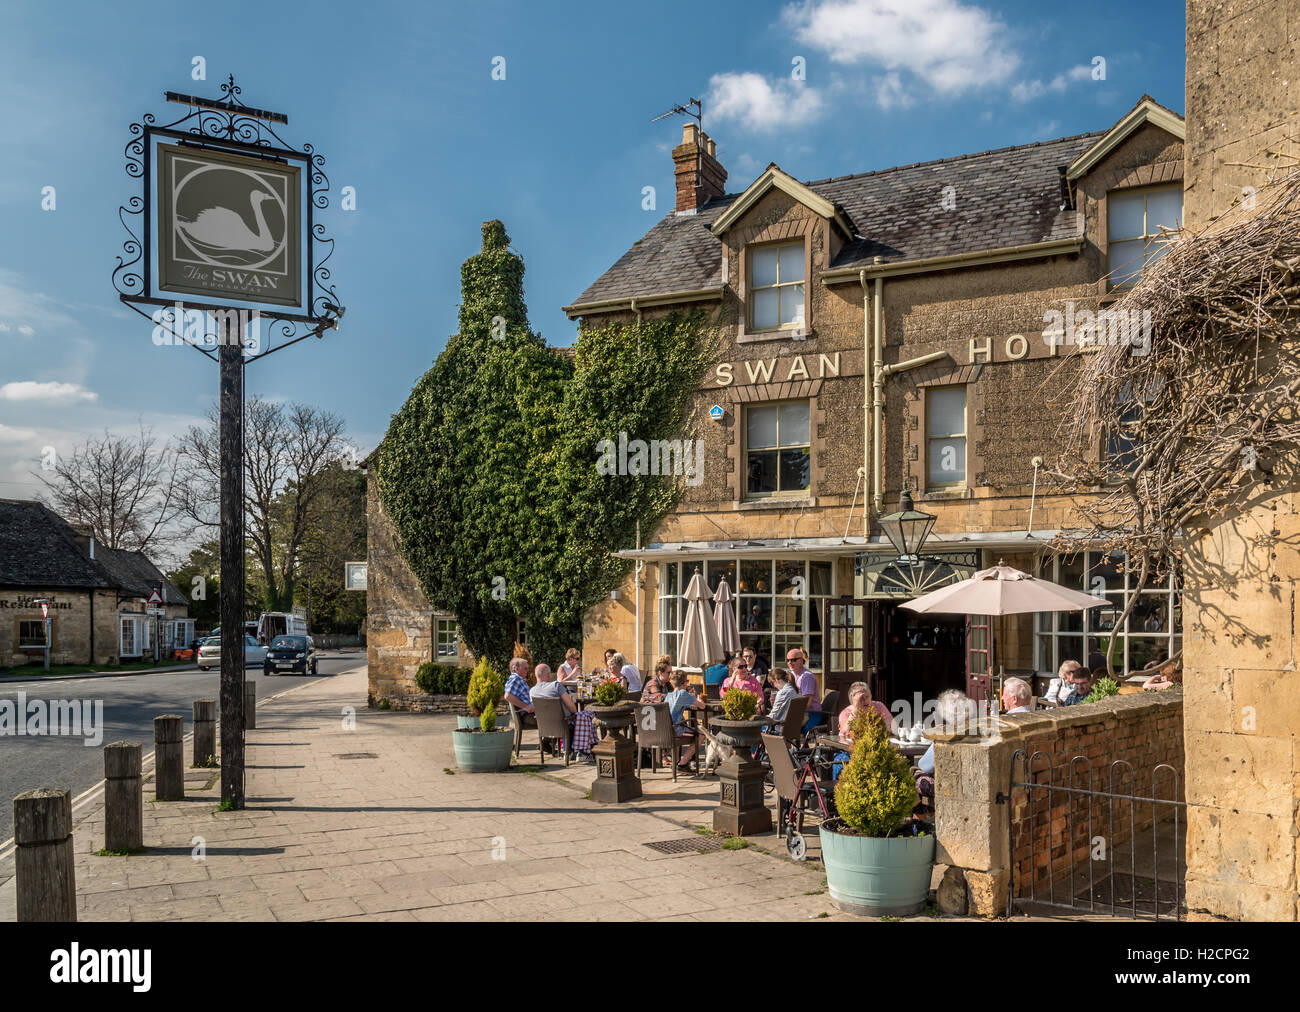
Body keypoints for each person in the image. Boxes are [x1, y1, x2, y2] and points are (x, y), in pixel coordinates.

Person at [529, 663, 596, 760]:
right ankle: (583, 753)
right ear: (548, 674)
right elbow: (571, 707)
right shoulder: (556, 686)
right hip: (564, 722)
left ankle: (568, 752)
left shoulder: (532, 691)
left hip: (544, 725)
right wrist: (574, 713)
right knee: (584, 716)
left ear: (536, 675)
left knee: (573, 719)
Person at [664, 669, 703, 770]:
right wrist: (698, 699)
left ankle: (676, 762)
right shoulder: (682, 694)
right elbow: (702, 706)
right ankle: (683, 763)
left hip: (666, 729)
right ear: (685, 683)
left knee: (682, 728)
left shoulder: (668, 695)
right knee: (701, 735)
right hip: (676, 730)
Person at [787, 648, 823, 729]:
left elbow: (806, 704)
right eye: (788, 660)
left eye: (794, 660)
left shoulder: (807, 677)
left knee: (786, 727)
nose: (790, 663)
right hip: (800, 711)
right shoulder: (791, 675)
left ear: (801, 660)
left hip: (812, 714)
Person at [503, 657, 537, 728]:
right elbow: (507, 696)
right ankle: (550, 739)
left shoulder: (518, 679)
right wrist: (526, 707)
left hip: (531, 714)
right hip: (528, 716)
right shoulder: (516, 678)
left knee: (552, 716)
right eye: (525, 668)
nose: (527, 670)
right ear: (516, 669)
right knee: (554, 718)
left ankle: (548, 739)